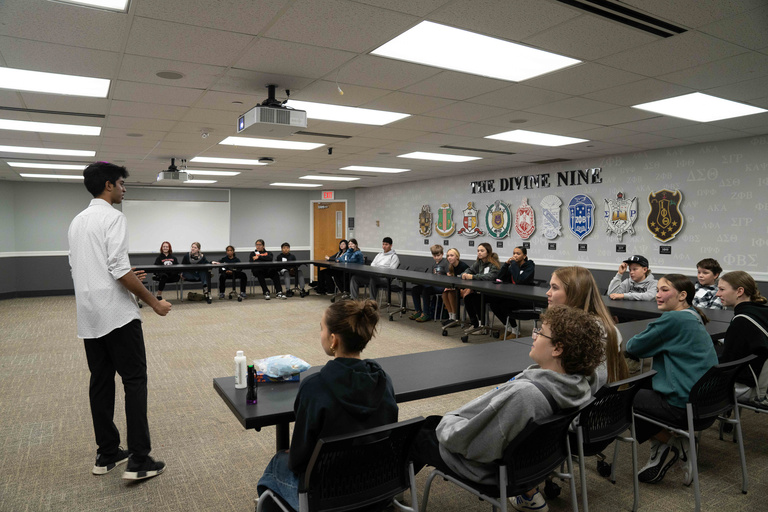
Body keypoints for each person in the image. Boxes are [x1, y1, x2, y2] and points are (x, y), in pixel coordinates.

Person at [409, 305, 604, 512]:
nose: (534, 336)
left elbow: (470, 444)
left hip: (495, 474)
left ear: (557, 348)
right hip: (533, 468)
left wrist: (450, 419)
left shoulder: (524, 396)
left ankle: (383, 494)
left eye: (540, 333)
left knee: (419, 432)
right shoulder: (580, 386)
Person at [68, 161, 170, 480]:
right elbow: (117, 268)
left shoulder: (77, 222)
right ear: (110, 185)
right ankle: (140, 459)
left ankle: (107, 454)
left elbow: (83, 268)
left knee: (100, 383)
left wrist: (127, 276)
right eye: (123, 184)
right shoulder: (114, 217)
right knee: (134, 382)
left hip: (89, 316)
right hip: (118, 315)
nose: (125, 189)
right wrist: (153, 301)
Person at [256, 300, 398, 510]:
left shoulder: (314, 388)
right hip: (375, 485)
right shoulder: (383, 381)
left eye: (322, 328)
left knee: (278, 462)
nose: (320, 333)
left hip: (326, 496)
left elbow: (298, 460)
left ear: (333, 340)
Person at [626, 274, 718, 486]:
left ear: (682, 295)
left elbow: (633, 347)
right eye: (657, 290)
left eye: (664, 290)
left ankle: (673, 443)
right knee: (641, 385)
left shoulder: (674, 319)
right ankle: (662, 447)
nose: (658, 295)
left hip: (683, 406)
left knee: (624, 399)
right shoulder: (692, 315)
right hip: (706, 403)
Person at [546, 266, 629, 389]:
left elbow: (565, 386)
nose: (548, 292)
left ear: (574, 293)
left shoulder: (577, 333)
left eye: (555, 287)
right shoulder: (606, 326)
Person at [716, 271, 768, 391]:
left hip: (750, 387)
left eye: (722, 289)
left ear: (739, 291)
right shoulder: (761, 312)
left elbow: (728, 364)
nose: (717, 294)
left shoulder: (741, 322)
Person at [487, 246, 536, 339]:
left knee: (505, 305)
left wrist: (513, 264)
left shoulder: (529, 266)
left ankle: (515, 330)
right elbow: (498, 278)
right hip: (513, 296)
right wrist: (506, 265)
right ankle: (508, 328)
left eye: (518, 254)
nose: (515, 256)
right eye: (514, 253)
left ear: (524, 256)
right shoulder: (512, 266)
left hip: (525, 298)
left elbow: (519, 280)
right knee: (493, 303)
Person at [460, 242, 500, 332]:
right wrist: (464, 274)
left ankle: (482, 325)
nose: (479, 253)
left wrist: (473, 277)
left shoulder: (493, 263)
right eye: (478, 251)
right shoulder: (479, 262)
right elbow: (469, 270)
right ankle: (475, 324)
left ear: (488, 252)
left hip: (493, 292)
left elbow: (490, 277)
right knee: (468, 298)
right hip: (481, 291)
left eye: (482, 251)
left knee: (476, 299)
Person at [409, 244, 449, 322]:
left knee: (426, 291)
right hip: (434, 285)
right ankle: (418, 311)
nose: (436, 257)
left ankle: (426, 313)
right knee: (415, 289)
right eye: (434, 256)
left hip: (442, 287)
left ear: (442, 254)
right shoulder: (434, 264)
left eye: (438, 255)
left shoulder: (445, 263)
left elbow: (449, 276)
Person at [441, 248, 470, 328]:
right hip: (457, 288)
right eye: (448, 256)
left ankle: (455, 317)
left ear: (457, 257)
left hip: (465, 289)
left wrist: (454, 288)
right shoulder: (451, 266)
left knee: (450, 293)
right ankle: (450, 316)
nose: (449, 258)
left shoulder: (463, 266)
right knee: (444, 293)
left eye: (451, 255)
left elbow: (468, 282)